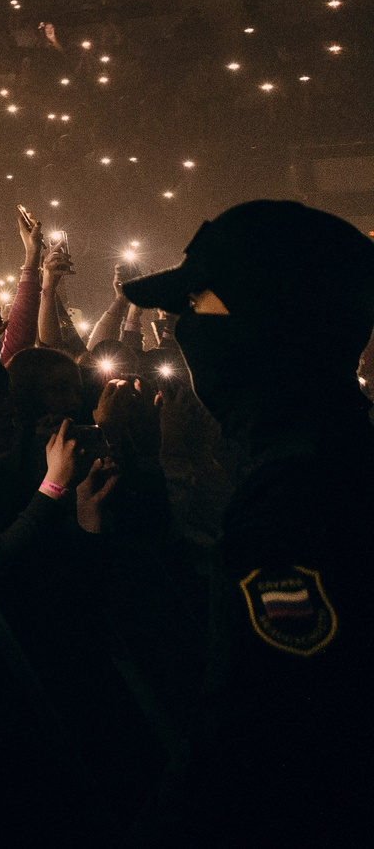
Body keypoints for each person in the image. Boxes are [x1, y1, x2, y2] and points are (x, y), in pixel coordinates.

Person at [120, 201, 374, 844]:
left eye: (199, 310)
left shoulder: (290, 507)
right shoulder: (342, 455)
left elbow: (261, 728)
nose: (183, 330)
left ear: (261, 330)